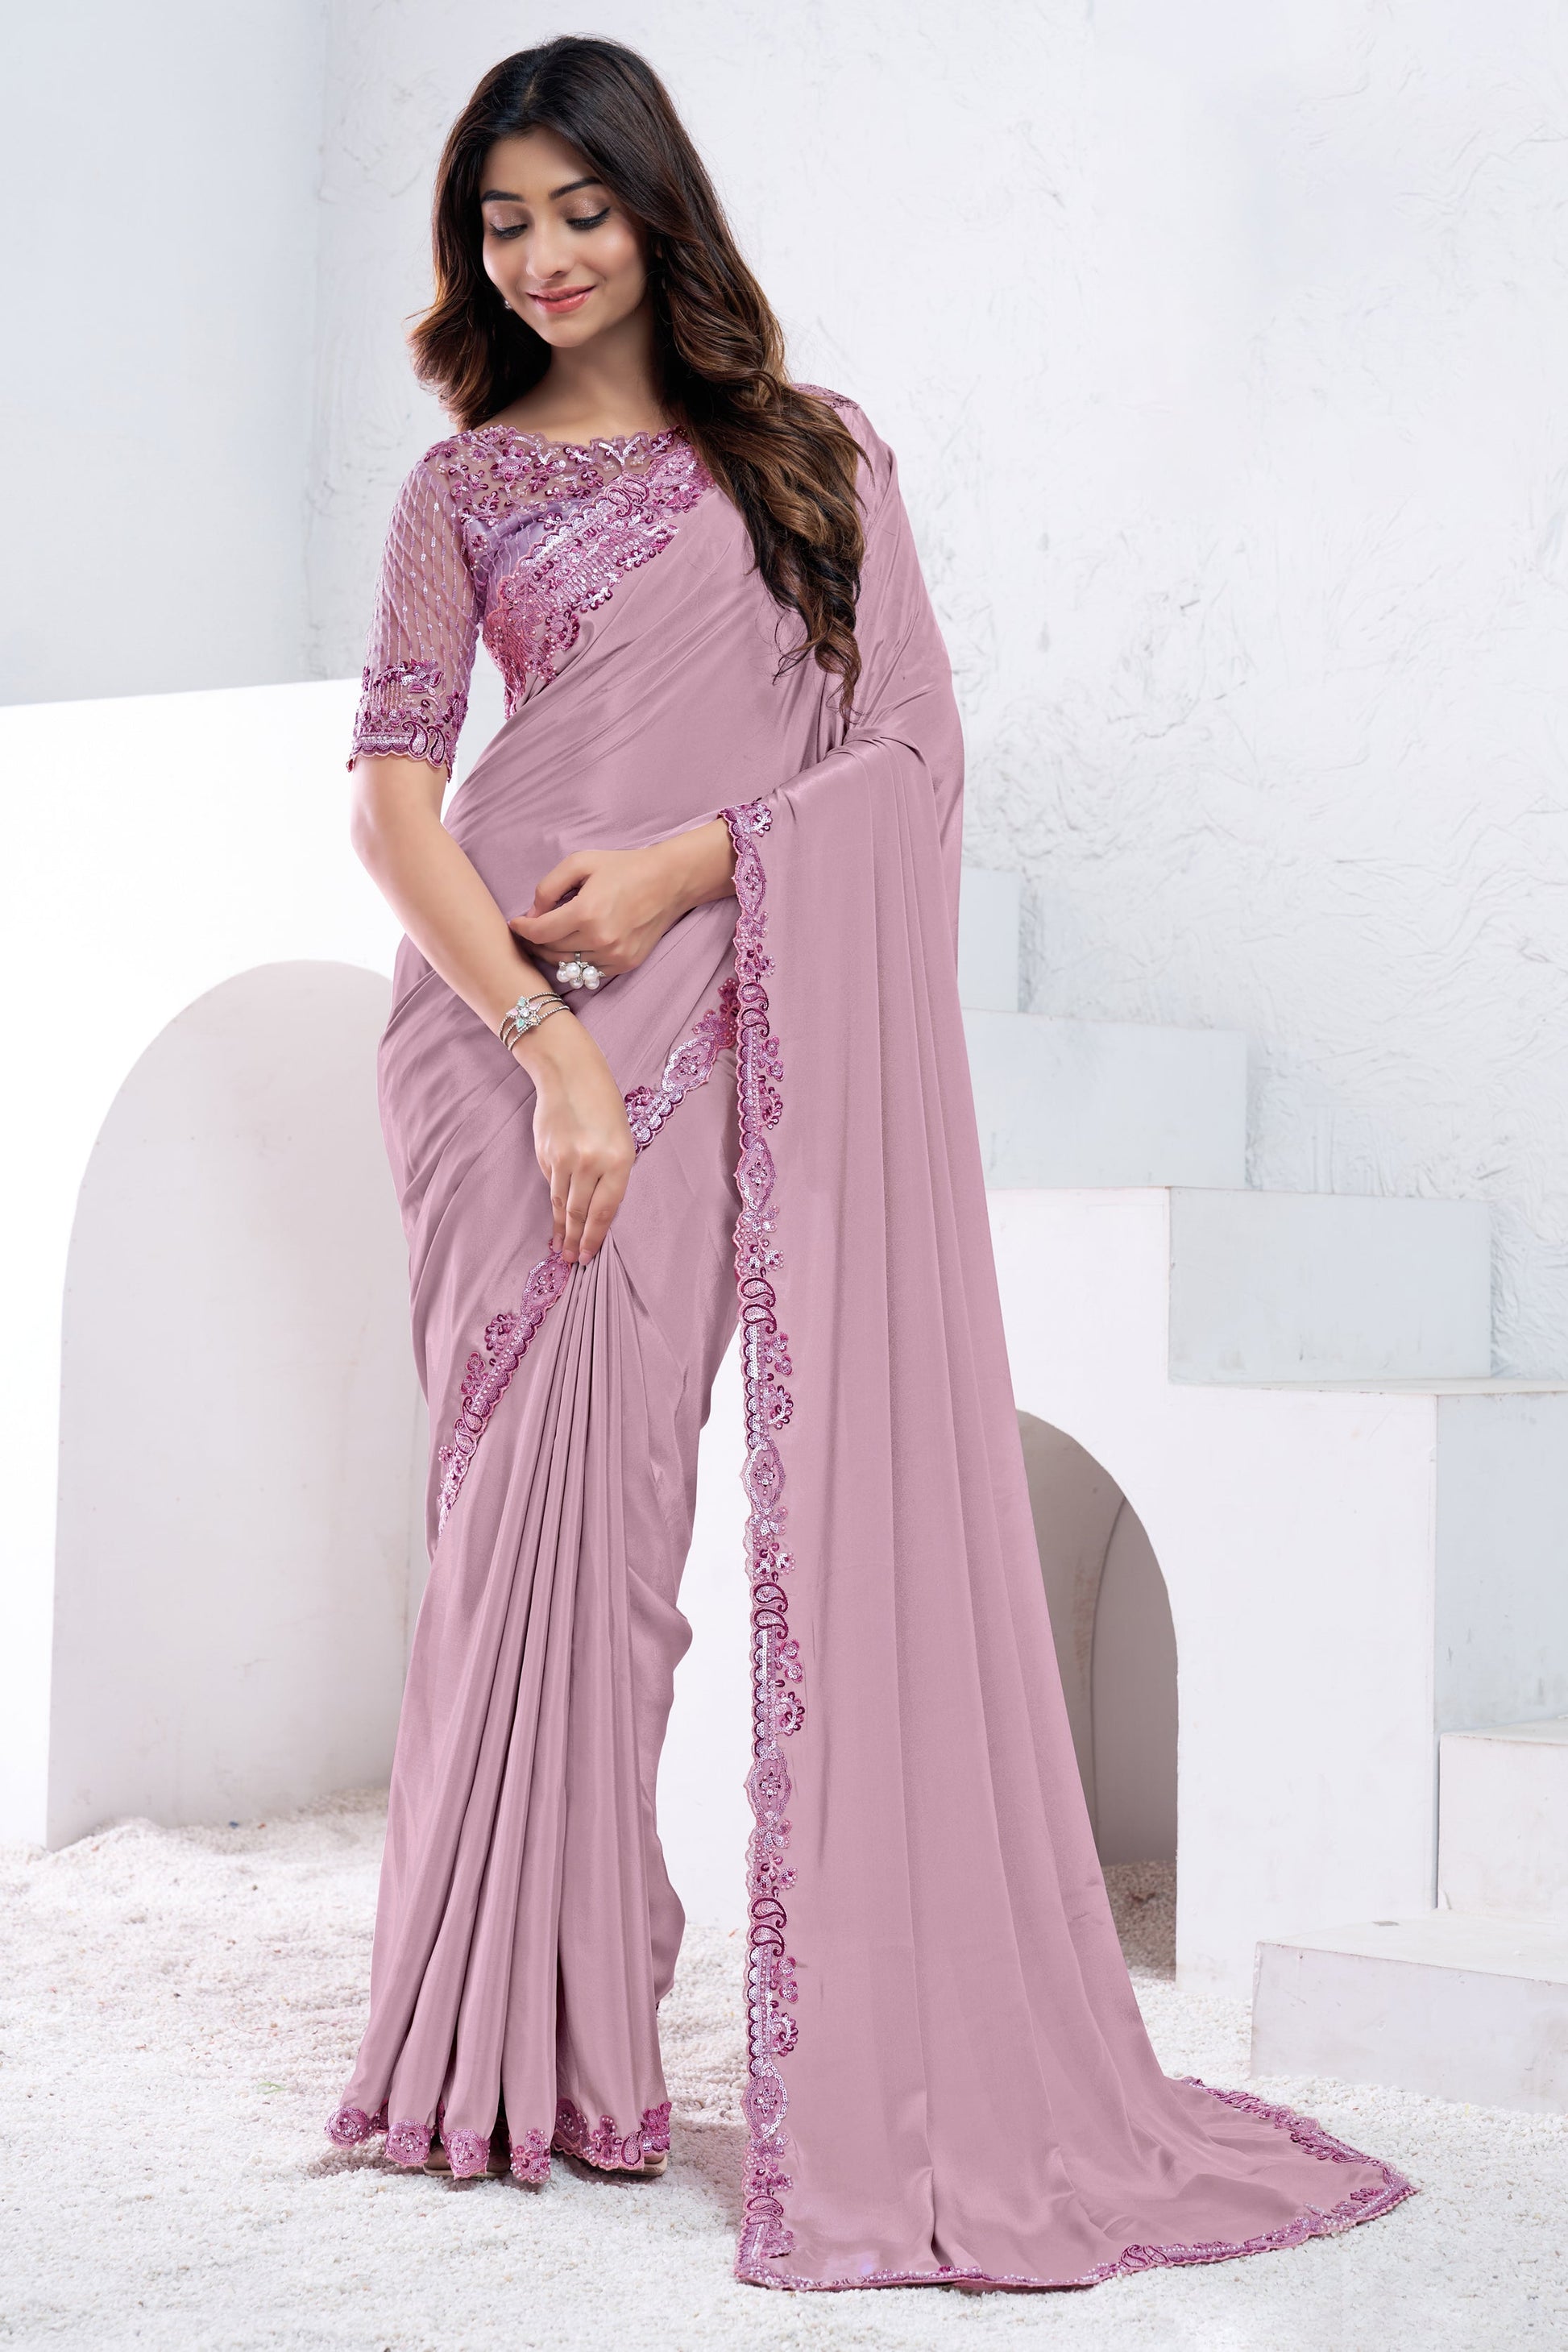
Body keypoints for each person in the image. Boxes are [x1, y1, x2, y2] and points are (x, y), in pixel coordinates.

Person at [325, 35, 1414, 2290]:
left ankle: (567, 2033)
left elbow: (909, 754)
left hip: (714, 1011)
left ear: (656, 211)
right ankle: (489, 2051)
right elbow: (395, 804)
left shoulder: (815, 460)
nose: (539, 257)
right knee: (508, 1530)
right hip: (498, 1044)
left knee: (621, 1540)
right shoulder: (460, 493)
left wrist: (692, 867)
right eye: (501, 222)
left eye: (577, 211)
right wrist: (543, 1043)